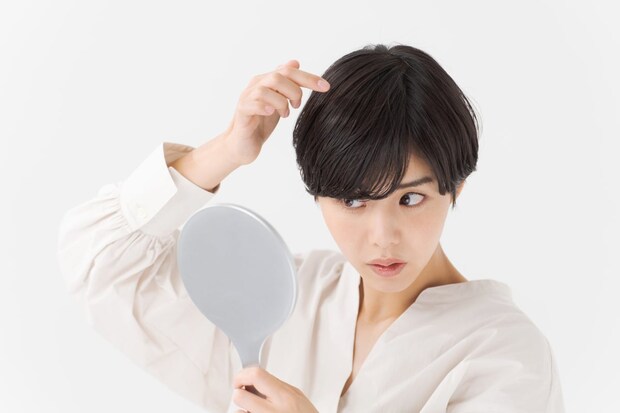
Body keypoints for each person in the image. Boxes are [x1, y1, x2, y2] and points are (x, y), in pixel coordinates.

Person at [57, 43, 565, 412]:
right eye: (352, 201)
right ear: (317, 196)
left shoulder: (504, 352)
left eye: (411, 198)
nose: (382, 236)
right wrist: (228, 150)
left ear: (456, 188)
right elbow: (100, 263)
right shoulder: (286, 297)